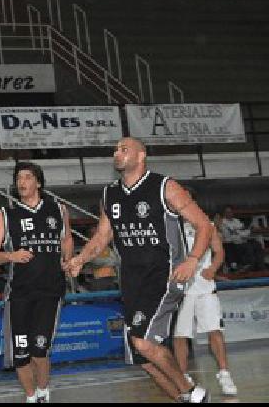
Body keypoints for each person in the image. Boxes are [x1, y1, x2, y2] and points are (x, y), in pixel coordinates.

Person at [66, 137, 213, 403]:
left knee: (144, 342)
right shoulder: (110, 193)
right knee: (142, 358)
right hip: (132, 279)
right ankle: (184, 399)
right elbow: (102, 236)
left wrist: (192, 259)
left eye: (124, 149)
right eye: (115, 150)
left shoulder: (165, 186)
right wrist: (80, 258)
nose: (117, 154)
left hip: (165, 274)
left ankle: (193, 393)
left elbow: (205, 225)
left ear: (141, 155)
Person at [0, 162, 73, 403]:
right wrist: (10, 256)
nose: (22, 182)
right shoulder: (6, 214)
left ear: (38, 182)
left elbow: (66, 239)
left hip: (50, 291)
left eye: (27, 177)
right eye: (18, 178)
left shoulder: (58, 209)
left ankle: (43, 392)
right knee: (21, 355)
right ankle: (31, 396)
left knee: (40, 349)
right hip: (19, 294)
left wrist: (69, 259)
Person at [173, 202, 238, 396]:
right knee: (180, 335)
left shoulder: (207, 225)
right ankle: (183, 377)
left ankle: (224, 373)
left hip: (204, 288)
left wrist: (213, 268)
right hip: (180, 289)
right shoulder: (171, 226)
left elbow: (219, 252)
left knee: (215, 331)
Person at [218, 206, 266, 272]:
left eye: (230, 212)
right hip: (232, 242)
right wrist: (243, 232)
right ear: (224, 213)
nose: (229, 213)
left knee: (257, 244)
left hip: (242, 239)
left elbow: (243, 231)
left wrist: (247, 231)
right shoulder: (223, 223)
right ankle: (247, 266)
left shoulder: (236, 221)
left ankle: (259, 267)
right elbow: (231, 235)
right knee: (248, 247)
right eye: (227, 212)